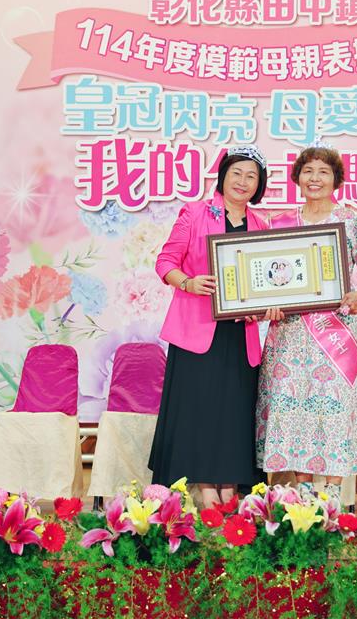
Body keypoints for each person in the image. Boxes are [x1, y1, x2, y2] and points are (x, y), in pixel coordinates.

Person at [256, 145, 357, 501]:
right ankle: (303, 499)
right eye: (308, 171)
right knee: (296, 409)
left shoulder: (352, 222)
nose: (315, 178)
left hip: (337, 333)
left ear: (336, 179)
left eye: (323, 172)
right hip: (290, 335)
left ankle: (331, 497)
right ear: (297, 177)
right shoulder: (280, 223)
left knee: (333, 409)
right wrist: (267, 303)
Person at [148, 146, 270, 509]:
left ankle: (230, 484)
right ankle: (204, 485)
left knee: (234, 411)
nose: (242, 182)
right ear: (223, 177)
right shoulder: (195, 212)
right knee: (198, 408)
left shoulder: (261, 225)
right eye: (236, 173)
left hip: (240, 334)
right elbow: (165, 262)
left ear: (259, 184)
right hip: (196, 330)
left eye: (251, 176)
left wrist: (262, 307)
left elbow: (262, 282)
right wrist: (188, 282)